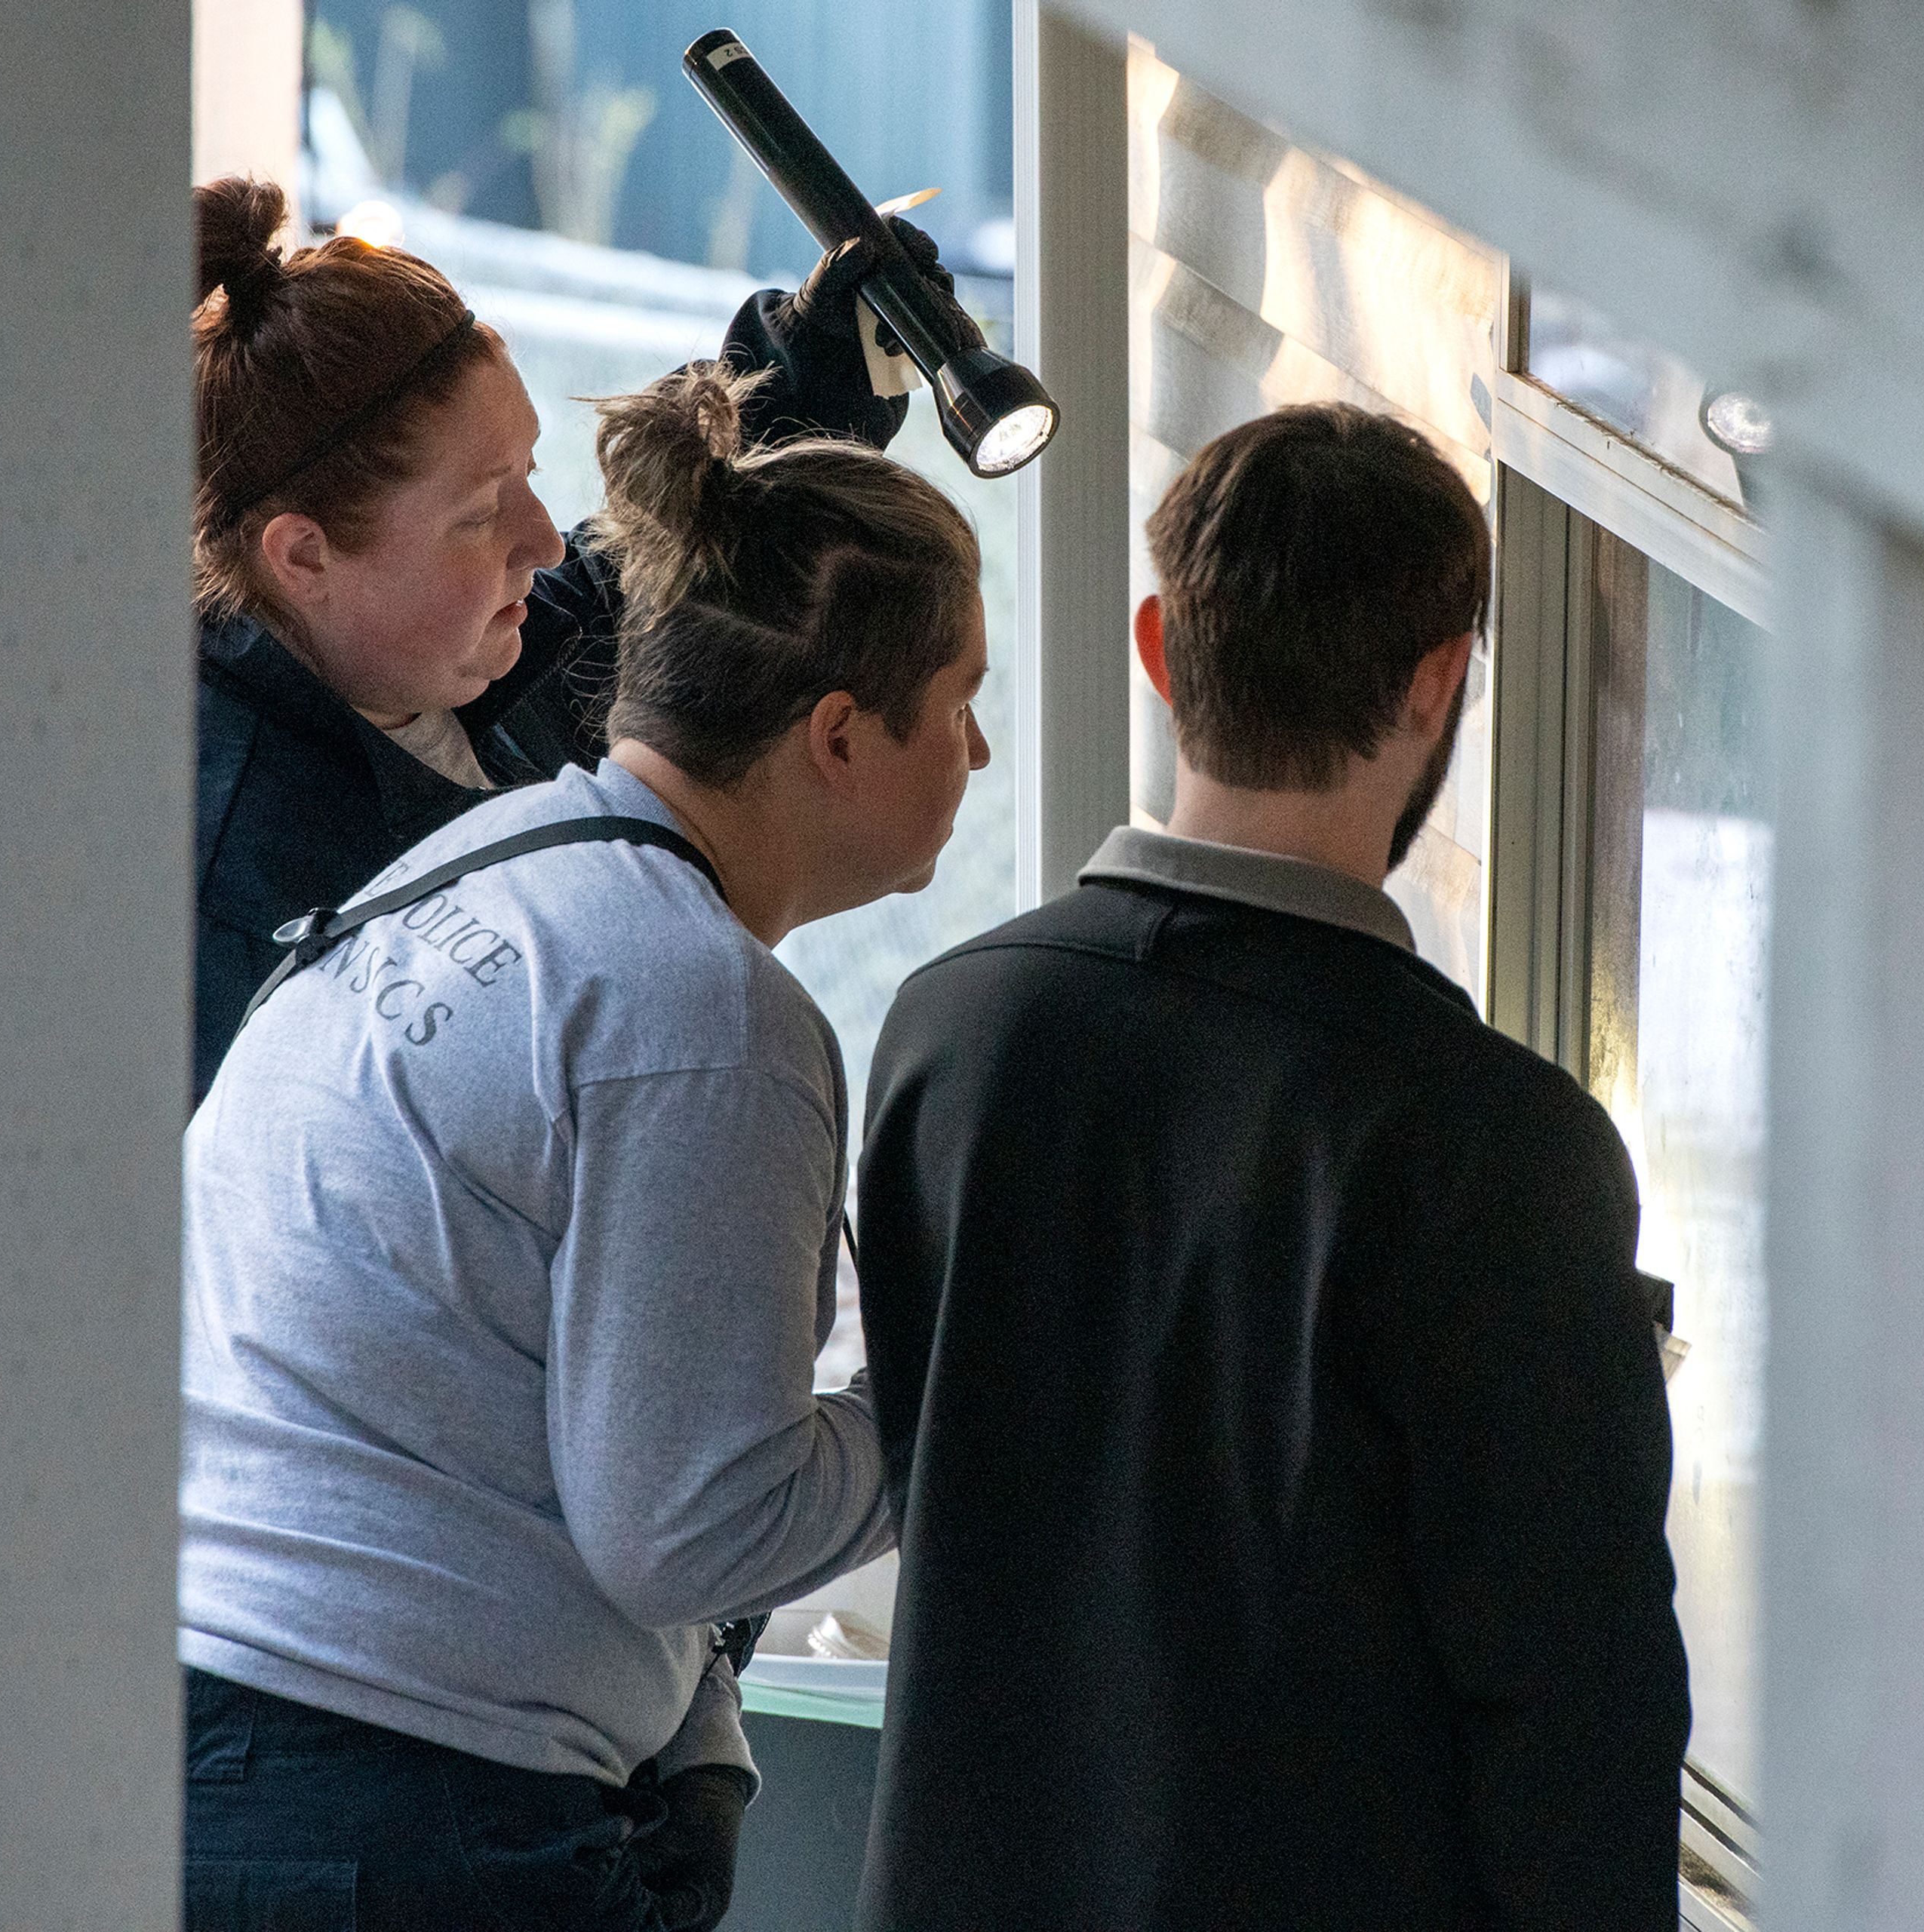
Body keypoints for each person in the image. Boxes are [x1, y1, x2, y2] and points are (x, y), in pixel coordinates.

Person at [855, 402, 1692, 1930]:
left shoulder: (954, 1031)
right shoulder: (1492, 1144)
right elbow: (1576, 1707)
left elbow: (934, 1479)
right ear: (1440, 682)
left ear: (1161, 645)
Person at [178, 362, 991, 1932]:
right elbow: (698, 1518)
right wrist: (965, 1395)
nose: (974, 755)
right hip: (394, 1804)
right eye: (956, 705)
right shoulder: (697, 1006)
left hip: (212, 1734)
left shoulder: (498, 857)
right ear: (837, 734)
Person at [187, 173, 977, 1105]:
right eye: (482, 513)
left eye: (528, 471)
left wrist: (802, 375)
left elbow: (615, 580)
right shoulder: (231, 902)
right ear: (304, 556)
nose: (544, 538)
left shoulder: (454, 655)